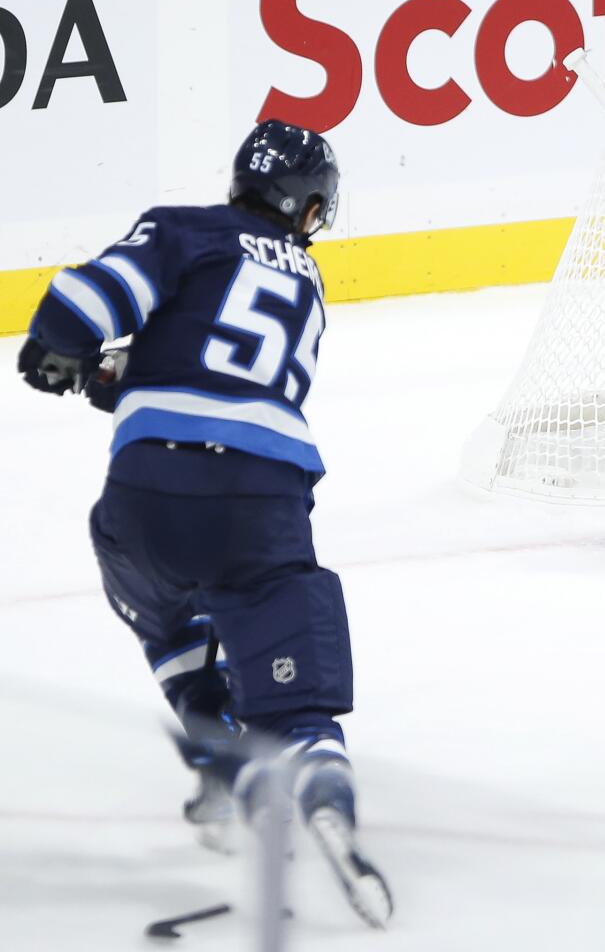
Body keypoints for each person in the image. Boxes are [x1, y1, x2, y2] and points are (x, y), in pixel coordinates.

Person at [17, 120, 392, 927]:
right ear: (308, 206)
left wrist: (60, 351)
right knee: (295, 696)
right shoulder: (309, 285)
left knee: (159, 602)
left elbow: (79, 307)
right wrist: (112, 375)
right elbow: (226, 376)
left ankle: (221, 752)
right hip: (264, 497)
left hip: (149, 491)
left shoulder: (184, 228)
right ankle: (321, 787)